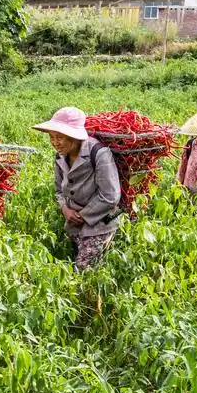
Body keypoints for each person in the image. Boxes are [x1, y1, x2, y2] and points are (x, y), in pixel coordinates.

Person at [32, 107, 121, 271]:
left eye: (60, 137)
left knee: (83, 269)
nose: (55, 142)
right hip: (73, 223)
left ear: (74, 136)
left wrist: (82, 215)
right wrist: (65, 209)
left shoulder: (98, 153)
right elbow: (58, 190)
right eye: (52, 137)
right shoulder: (60, 155)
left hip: (99, 223)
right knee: (75, 265)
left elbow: (110, 196)